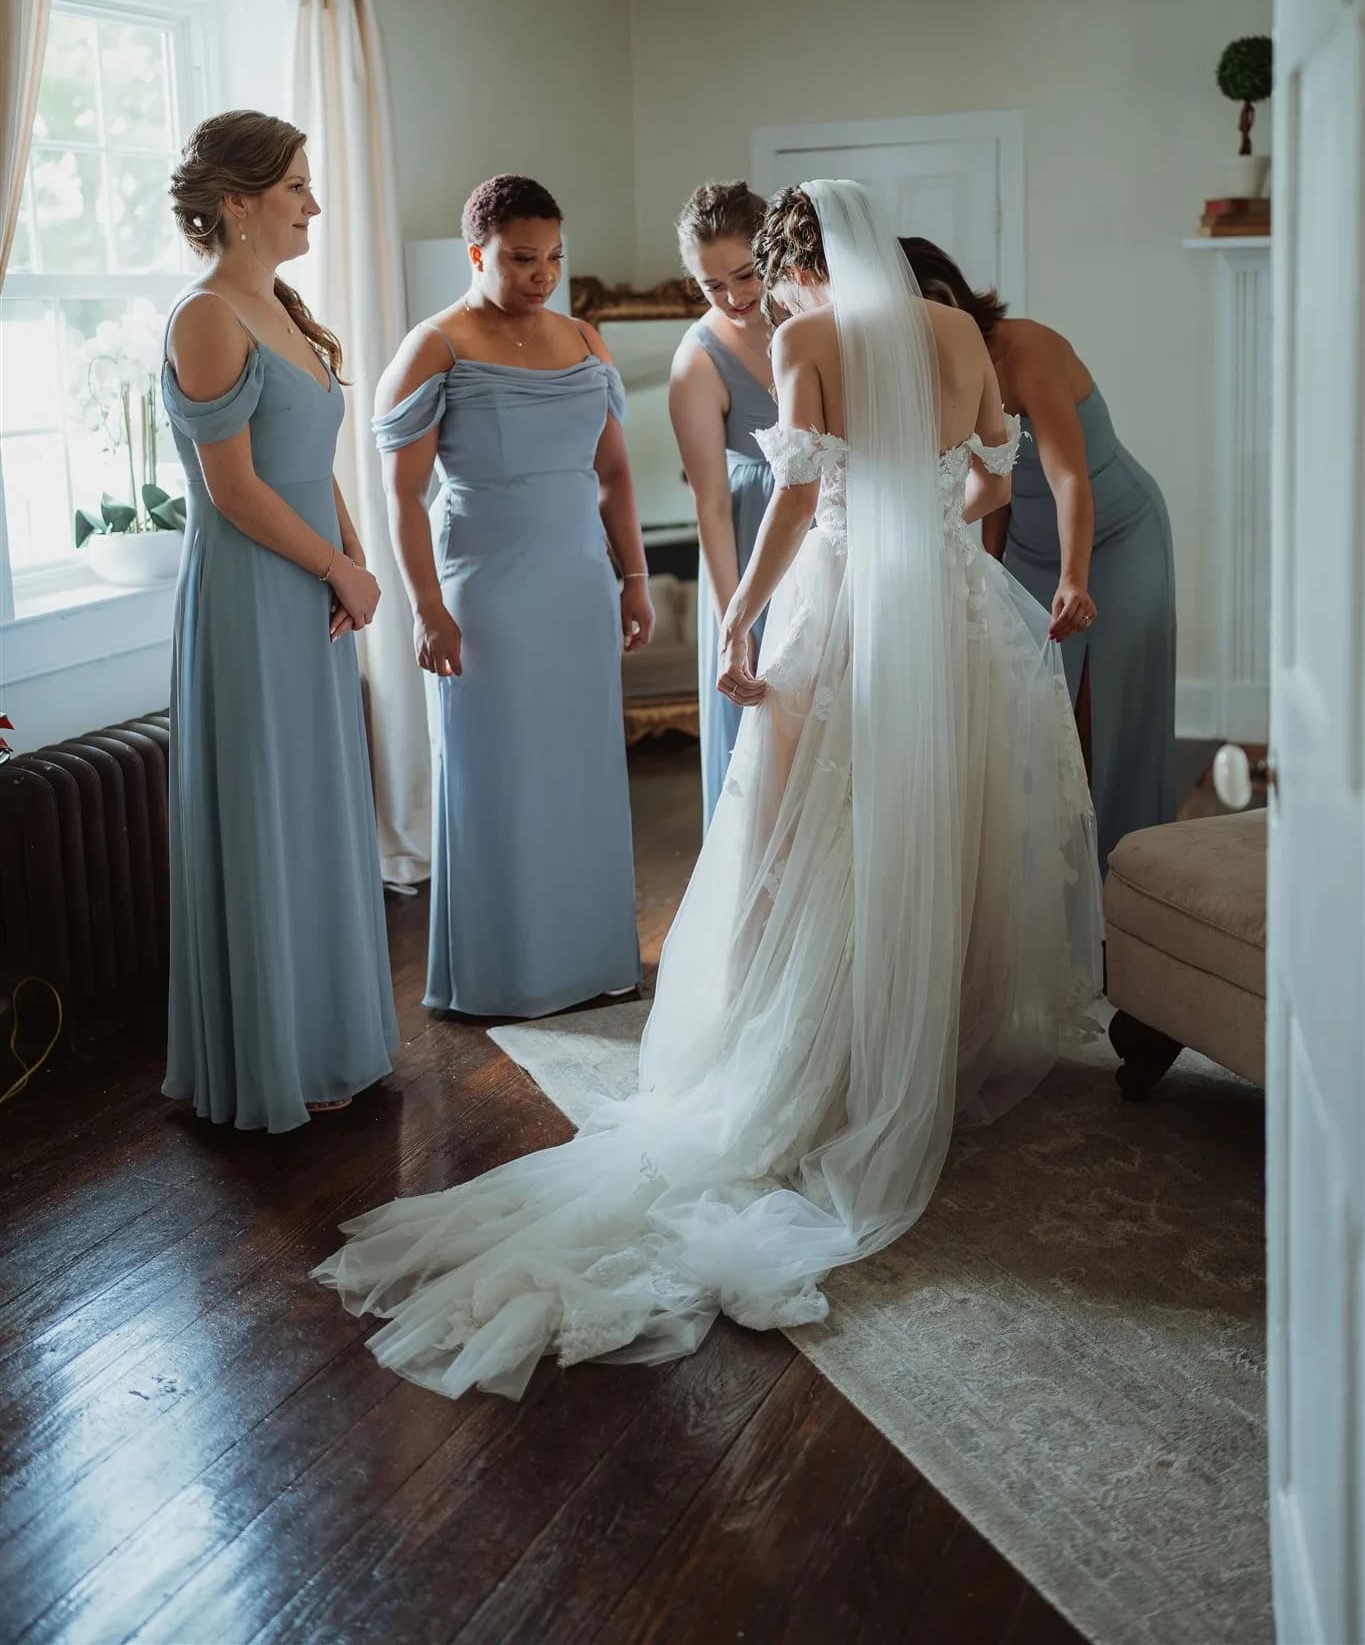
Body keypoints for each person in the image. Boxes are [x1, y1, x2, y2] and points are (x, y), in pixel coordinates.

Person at [314, 179, 1101, 1399]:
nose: (758, 300)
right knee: (944, 822)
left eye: (764, 279)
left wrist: (736, 614)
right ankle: (932, 1048)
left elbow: (792, 495)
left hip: (845, 605)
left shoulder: (806, 337)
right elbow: (996, 482)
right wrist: (925, 519)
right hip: (951, 616)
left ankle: (828, 1058)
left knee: (804, 833)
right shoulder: (952, 329)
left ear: (792, 268)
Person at [162, 111, 398, 1132]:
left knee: (316, 805)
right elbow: (234, 491)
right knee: (273, 811)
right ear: (239, 202)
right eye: (297, 185)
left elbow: (315, 462)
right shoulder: (206, 315)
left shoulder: (281, 306)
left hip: (307, 583)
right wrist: (336, 564)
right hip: (253, 590)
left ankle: (332, 1026)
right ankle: (277, 1048)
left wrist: (353, 562)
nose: (313, 202)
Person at [371, 175, 651, 1019]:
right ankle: (505, 971)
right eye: (521, 257)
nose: (542, 273)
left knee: (582, 772)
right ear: (477, 254)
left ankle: (592, 958)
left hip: (576, 586)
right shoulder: (436, 347)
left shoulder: (584, 340)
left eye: (553, 256)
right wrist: (425, 606)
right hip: (485, 593)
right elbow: (401, 497)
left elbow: (613, 474)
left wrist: (633, 577)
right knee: (498, 776)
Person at [900, 237, 1176, 873]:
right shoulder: (933, 368)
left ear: (945, 298)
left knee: (1101, 710)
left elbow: (1068, 480)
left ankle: (1126, 876)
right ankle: (1052, 884)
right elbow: (992, 483)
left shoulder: (1028, 350)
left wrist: (1075, 580)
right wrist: (992, 572)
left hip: (1116, 534)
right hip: (1028, 539)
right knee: (1031, 713)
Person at [669, 180, 778, 822]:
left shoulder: (819, 320)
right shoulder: (698, 361)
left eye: (744, 275)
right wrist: (734, 623)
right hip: (751, 544)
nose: (734, 298)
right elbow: (710, 507)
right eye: (712, 286)